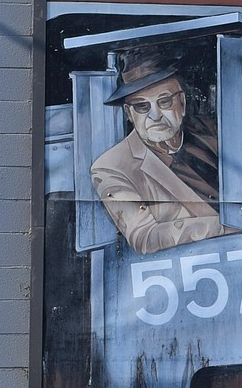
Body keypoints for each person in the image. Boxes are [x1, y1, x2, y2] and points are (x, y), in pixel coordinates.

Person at [90, 51, 223, 253]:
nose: (155, 115)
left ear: (183, 104)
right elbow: (144, 237)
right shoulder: (110, 168)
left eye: (165, 101)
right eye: (142, 106)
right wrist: (227, 226)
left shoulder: (210, 131)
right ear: (129, 114)